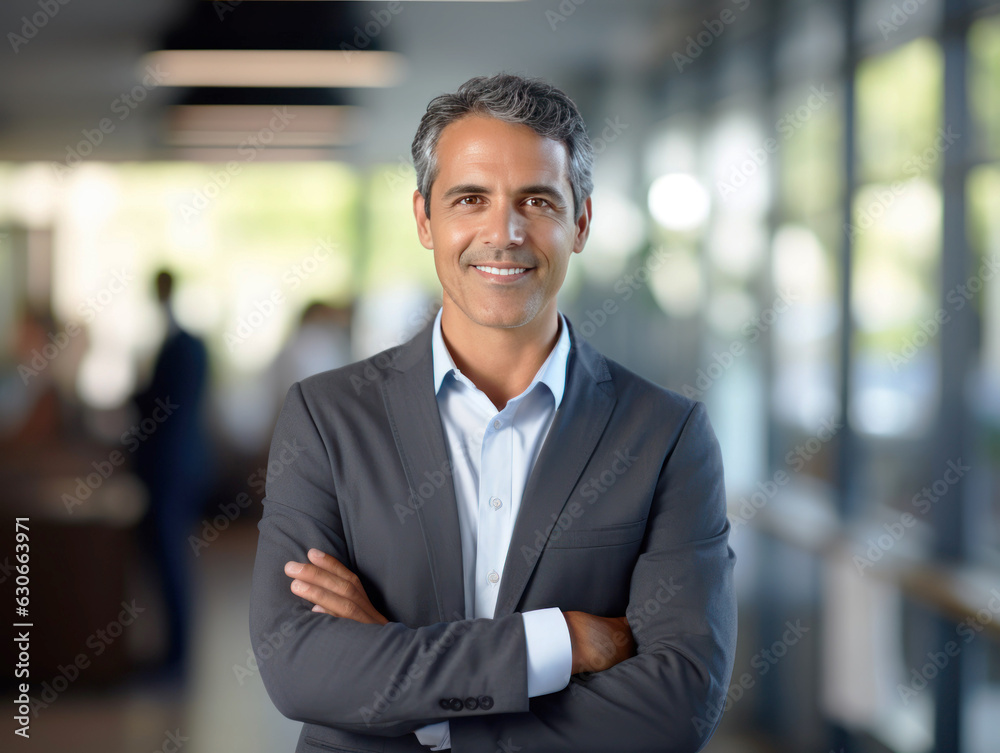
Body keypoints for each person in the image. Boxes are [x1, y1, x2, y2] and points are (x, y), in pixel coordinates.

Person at [249, 73, 736, 752]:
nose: (503, 232)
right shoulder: (328, 418)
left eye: (536, 200)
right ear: (425, 219)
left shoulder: (666, 436)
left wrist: (420, 697)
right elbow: (298, 666)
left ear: (582, 222)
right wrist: (557, 640)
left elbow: (678, 702)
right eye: (470, 199)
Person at [133, 269, 212, 681]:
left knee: (171, 563)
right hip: (181, 466)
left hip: (170, 469)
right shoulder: (187, 344)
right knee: (171, 561)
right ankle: (172, 654)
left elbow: (162, 407)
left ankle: (176, 659)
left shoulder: (179, 346)